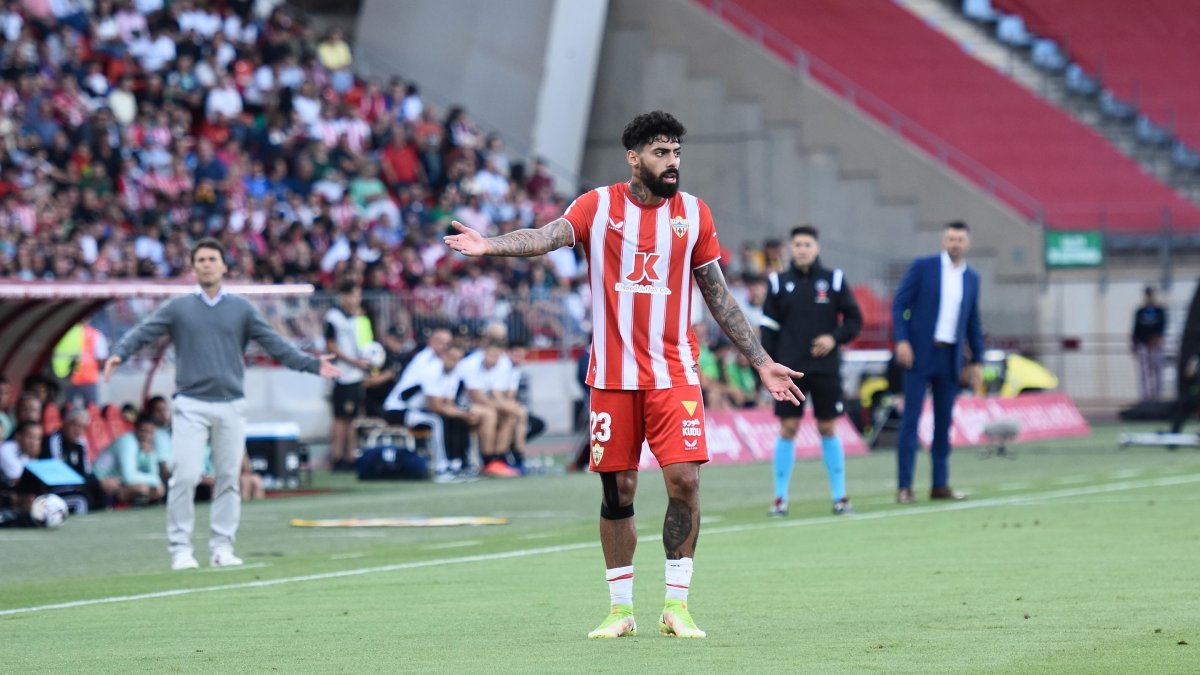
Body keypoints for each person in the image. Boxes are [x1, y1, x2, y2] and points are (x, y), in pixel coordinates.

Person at [445, 110, 803, 639]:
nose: (672, 161)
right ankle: (620, 609)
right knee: (619, 492)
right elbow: (548, 235)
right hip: (612, 378)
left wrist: (760, 360)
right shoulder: (598, 206)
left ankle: (676, 606)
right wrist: (491, 244)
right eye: (661, 152)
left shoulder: (695, 215)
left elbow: (719, 295)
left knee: (684, 480)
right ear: (634, 158)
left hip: (674, 374)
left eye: (677, 152)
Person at [104, 238, 340, 571]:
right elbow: (144, 331)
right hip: (190, 403)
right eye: (200, 259)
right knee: (184, 475)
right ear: (193, 266)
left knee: (228, 477)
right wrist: (118, 353)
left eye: (212, 258)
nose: (206, 264)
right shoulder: (178, 307)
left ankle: (222, 547)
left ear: (224, 266)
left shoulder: (241, 308)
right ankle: (181, 549)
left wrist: (313, 364)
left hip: (231, 404)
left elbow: (275, 344)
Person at [761, 225, 862, 516]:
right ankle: (780, 499)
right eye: (797, 244)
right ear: (790, 249)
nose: (802, 249)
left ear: (817, 248)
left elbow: (854, 319)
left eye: (807, 244)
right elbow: (768, 329)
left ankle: (840, 497)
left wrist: (834, 338)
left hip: (825, 368)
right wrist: (767, 365)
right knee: (788, 428)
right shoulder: (778, 283)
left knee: (828, 426)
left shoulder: (835, 280)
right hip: (789, 370)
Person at [891, 221, 984, 504]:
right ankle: (905, 486)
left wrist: (978, 359)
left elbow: (972, 321)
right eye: (950, 238)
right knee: (911, 420)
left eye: (960, 239)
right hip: (920, 353)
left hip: (950, 356)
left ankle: (939, 484)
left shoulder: (972, 278)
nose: (954, 243)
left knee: (944, 422)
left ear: (967, 243)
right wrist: (902, 340)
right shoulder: (924, 267)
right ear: (944, 241)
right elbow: (900, 304)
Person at [325, 282, 372, 471]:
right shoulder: (334, 317)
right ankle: (337, 456)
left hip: (356, 374)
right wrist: (353, 361)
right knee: (340, 417)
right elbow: (331, 345)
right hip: (342, 374)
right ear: (343, 296)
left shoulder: (358, 318)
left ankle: (350, 455)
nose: (356, 300)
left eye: (358, 296)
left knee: (352, 417)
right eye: (353, 295)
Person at [1132, 286, 1167, 402]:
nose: (1149, 296)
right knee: (1145, 374)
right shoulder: (1140, 311)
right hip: (1143, 346)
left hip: (1156, 347)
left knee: (1158, 372)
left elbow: (1162, 328)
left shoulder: (1159, 311)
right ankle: (1145, 399)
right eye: (1147, 294)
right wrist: (1134, 342)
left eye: (1150, 294)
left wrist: (1157, 339)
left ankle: (1158, 398)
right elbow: (1135, 329)